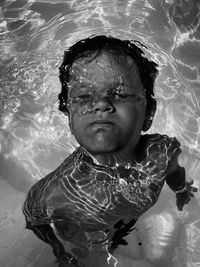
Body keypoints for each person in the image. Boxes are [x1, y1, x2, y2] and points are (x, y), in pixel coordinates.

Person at [22, 35, 198, 267]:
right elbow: (62, 234)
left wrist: (182, 190)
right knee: (69, 254)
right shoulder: (58, 198)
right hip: (53, 222)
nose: (102, 103)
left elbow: (174, 171)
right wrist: (72, 250)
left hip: (112, 216)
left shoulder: (162, 152)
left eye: (121, 94)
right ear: (69, 117)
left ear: (149, 114)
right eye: (84, 97)